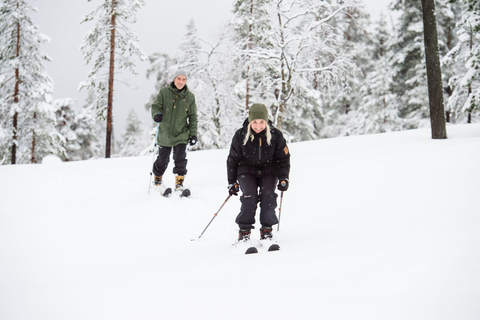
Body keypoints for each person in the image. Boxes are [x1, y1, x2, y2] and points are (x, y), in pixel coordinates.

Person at [226, 103, 290, 242]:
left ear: (266, 121)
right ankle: (244, 233)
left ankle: (266, 231)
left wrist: (284, 178)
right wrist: (231, 182)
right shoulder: (240, 135)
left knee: (268, 197)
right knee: (249, 197)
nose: (258, 125)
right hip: (246, 170)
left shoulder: (275, 135)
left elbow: (284, 158)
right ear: (250, 121)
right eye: (255, 122)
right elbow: (232, 159)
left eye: (262, 122)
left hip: (269, 170)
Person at [151, 69, 198, 191]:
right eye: (179, 79)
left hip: (181, 134)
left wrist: (193, 134)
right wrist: (156, 114)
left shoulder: (189, 97)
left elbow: (193, 117)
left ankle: (179, 184)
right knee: (162, 159)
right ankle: (157, 180)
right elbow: (156, 106)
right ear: (174, 79)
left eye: (183, 79)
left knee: (180, 158)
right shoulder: (164, 93)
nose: (181, 82)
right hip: (165, 134)